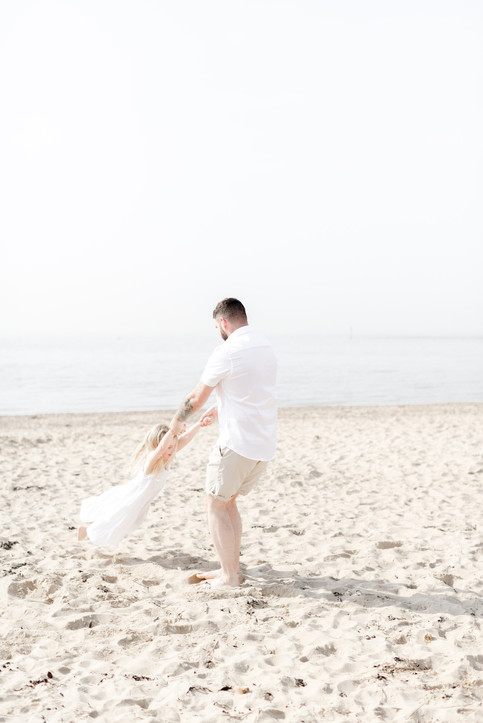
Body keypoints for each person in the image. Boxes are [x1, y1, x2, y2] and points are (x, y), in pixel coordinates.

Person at [169, 298, 278, 588]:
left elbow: (196, 397)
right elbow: (252, 389)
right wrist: (221, 407)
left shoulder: (227, 351)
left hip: (237, 444)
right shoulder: (265, 346)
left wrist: (176, 423)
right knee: (228, 502)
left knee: (214, 504)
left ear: (223, 322)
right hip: (263, 445)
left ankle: (229, 576)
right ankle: (230, 569)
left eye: (217, 326)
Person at [77, 416, 214, 547]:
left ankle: (86, 530)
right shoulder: (151, 460)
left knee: (125, 522)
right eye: (168, 447)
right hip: (132, 497)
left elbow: (185, 439)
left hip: (142, 501)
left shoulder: (167, 457)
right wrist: (173, 431)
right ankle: (87, 531)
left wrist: (199, 424)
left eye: (173, 446)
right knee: (115, 518)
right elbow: (161, 448)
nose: (171, 450)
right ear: (156, 446)